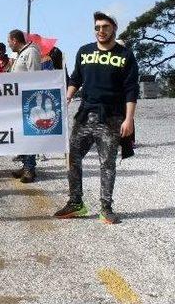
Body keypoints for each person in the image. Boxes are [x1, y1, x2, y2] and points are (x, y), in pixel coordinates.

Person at [54, 12, 139, 224]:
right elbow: (76, 78)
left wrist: (129, 120)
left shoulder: (125, 55)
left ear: (114, 29)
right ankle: (76, 203)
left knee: (107, 164)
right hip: (84, 115)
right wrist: (68, 97)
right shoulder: (84, 52)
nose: (101, 31)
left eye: (105, 27)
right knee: (72, 158)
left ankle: (106, 208)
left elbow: (131, 89)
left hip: (111, 118)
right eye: (97, 27)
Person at [7, 29, 42, 183]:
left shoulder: (31, 52)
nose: (8, 45)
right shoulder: (21, 53)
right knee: (24, 135)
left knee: (30, 134)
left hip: (29, 100)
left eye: (9, 41)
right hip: (19, 100)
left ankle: (30, 169)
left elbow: (35, 76)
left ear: (14, 40)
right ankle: (26, 164)